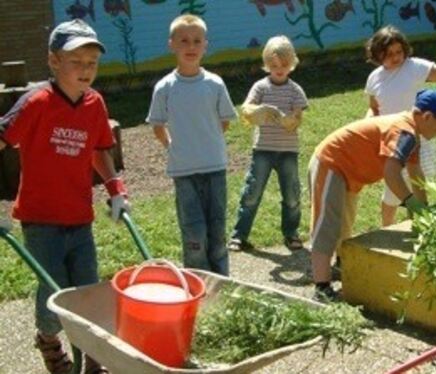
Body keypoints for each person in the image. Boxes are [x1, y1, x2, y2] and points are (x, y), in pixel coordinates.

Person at [0, 19, 130, 374]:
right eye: (76, 61)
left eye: (92, 62)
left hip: (79, 217)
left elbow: (99, 150)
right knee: (53, 293)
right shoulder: (36, 103)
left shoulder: (95, 104)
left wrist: (115, 189)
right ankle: (48, 338)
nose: (86, 69)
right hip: (41, 219)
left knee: (87, 292)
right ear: (54, 61)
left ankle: (92, 358)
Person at [309, 89, 436, 301]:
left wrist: (423, 210)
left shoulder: (412, 134)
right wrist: (410, 203)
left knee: (344, 224)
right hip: (332, 162)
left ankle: (340, 267)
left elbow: (416, 173)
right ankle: (321, 287)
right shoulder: (404, 132)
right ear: (427, 117)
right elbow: (391, 172)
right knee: (327, 225)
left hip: (348, 171)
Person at [146, 14, 237, 274]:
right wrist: (174, 146)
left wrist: (207, 141)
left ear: (205, 45)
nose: (191, 46)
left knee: (217, 229)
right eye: (183, 40)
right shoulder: (164, 87)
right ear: (171, 44)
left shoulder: (215, 83)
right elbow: (158, 126)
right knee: (194, 231)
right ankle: (198, 281)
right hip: (183, 172)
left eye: (197, 40)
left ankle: (222, 282)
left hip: (215, 167)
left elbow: (224, 122)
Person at [364, 25, 436, 226]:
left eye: (399, 51)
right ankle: (387, 229)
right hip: (392, 141)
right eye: (388, 53)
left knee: (418, 185)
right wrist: (368, 123)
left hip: (418, 137)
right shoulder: (375, 77)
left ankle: (416, 226)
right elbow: (374, 108)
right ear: (377, 54)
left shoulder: (413, 67)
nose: (395, 57)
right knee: (392, 191)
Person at [228, 35, 308, 252]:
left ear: (291, 64)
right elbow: (245, 110)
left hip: (287, 150)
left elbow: (298, 119)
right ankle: (239, 235)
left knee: (292, 195)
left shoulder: (295, 90)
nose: (279, 69)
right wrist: (259, 110)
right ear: (266, 65)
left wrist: (289, 120)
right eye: (273, 66)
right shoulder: (260, 87)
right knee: (252, 193)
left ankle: (291, 233)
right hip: (262, 149)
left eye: (283, 65)